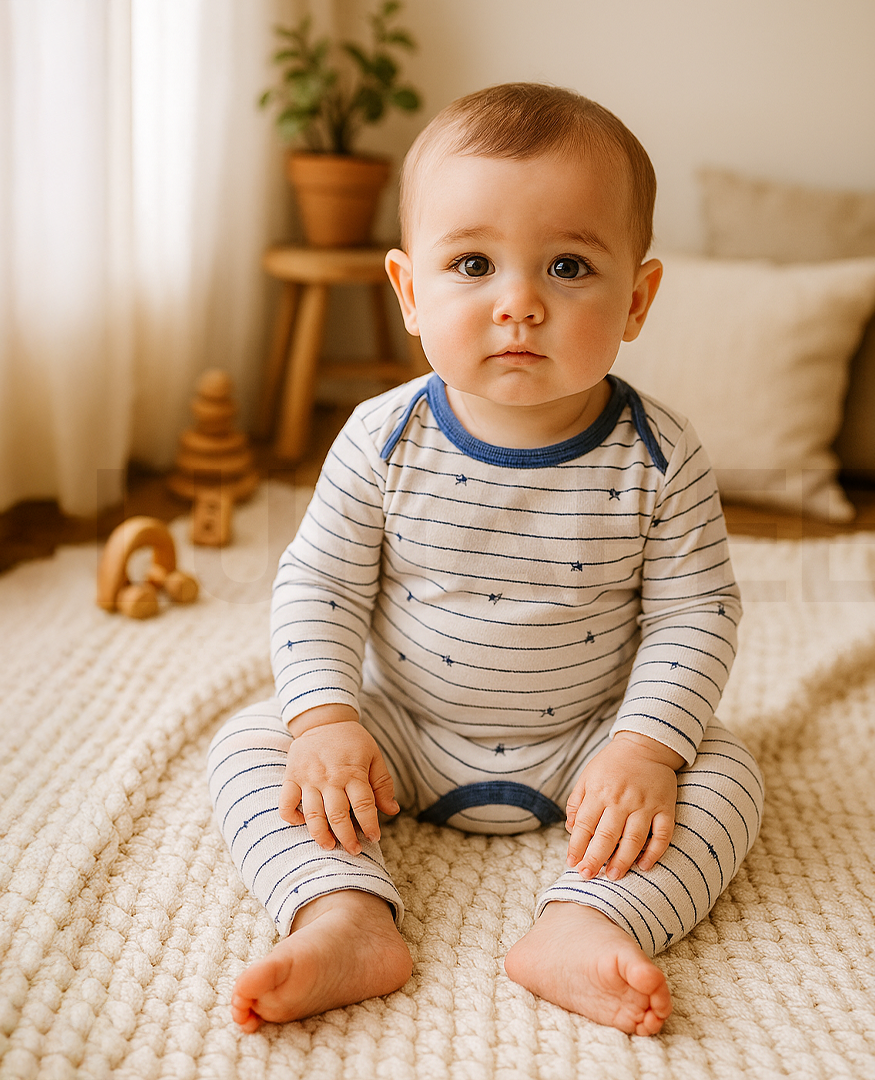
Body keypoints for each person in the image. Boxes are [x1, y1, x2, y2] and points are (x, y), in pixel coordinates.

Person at [207, 82, 763, 1038]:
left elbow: (696, 615)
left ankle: (587, 921)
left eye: (567, 266)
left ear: (636, 298)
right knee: (254, 744)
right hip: (402, 737)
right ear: (411, 292)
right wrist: (328, 720)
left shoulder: (661, 456)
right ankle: (344, 912)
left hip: (590, 743)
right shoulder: (382, 438)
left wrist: (643, 749)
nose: (520, 304)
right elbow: (319, 585)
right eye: (472, 262)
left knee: (725, 773)